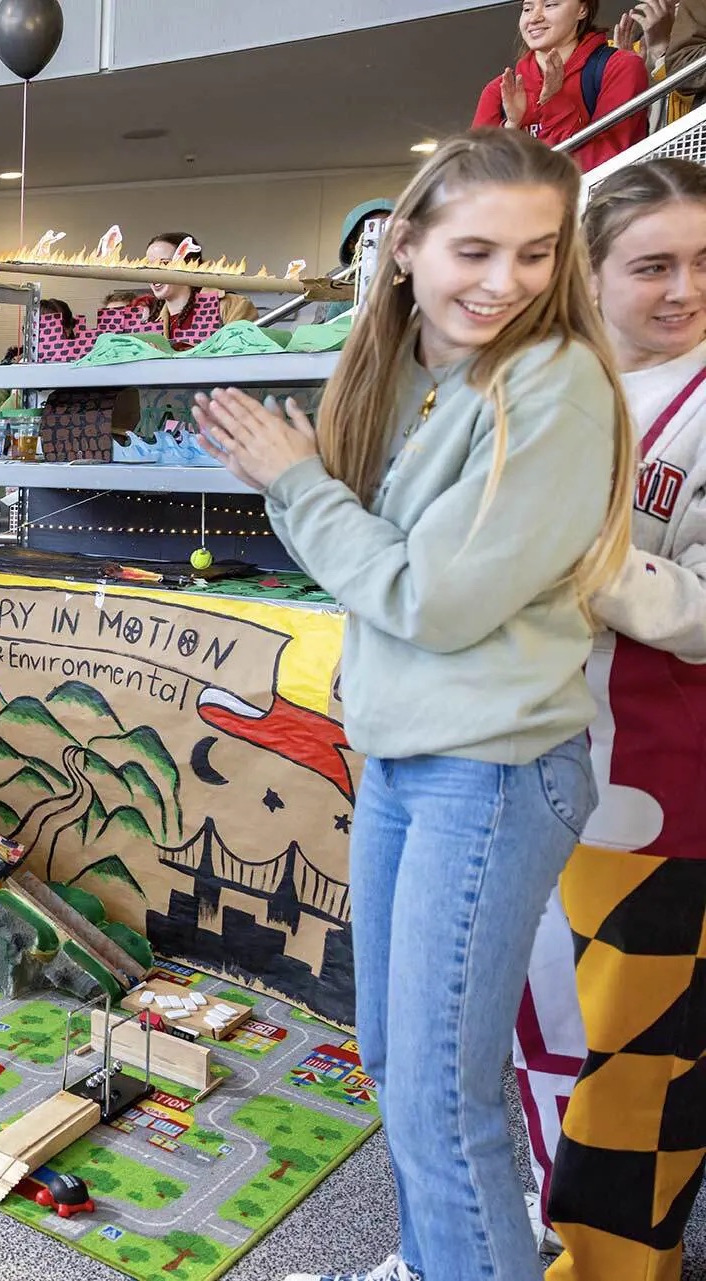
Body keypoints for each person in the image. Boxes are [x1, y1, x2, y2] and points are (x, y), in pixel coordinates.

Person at [191, 129, 637, 1281]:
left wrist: (295, 480)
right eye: (476, 250)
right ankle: (438, 1260)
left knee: (444, 1105)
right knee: (399, 1068)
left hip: (486, 773)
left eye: (538, 254)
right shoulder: (417, 376)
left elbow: (427, 600)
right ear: (404, 250)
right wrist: (300, 482)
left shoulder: (557, 385)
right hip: (406, 757)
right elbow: (360, 566)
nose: (506, 282)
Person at [509, 156, 706, 1281]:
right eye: (651, 265)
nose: (682, 290)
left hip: (662, 794)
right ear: (590, 274)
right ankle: (549, 1238)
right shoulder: (560, 385)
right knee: (551, 1039)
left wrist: (596, 565)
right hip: (542, 768)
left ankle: (617, 1269)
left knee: (641, 1068)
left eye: (701, 263)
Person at [473, 0, 652, 172]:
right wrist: (511, 127)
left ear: (583, 9)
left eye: (550, 5)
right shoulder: (500, 89)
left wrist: (556, 102)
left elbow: (608, 164)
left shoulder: (619, 67)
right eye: (527, 8)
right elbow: (472, 175)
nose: (534, 18)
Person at [139, 232, 259, 350]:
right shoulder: (148, 319)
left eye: (164, 263)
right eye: (149, 265)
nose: (153, 272)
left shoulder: (233, 306)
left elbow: (244, 355)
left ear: (189, 265)